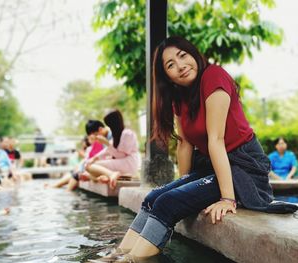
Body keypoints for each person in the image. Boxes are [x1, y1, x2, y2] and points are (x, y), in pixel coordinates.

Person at [102, 36, 297, 261]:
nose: (180, 66)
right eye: (170, 65)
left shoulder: (213, 77)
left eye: (182, 55)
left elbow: (216, 139)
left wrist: (228, 199)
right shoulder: (178, 97)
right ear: (167, 76)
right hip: (211, 166)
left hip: (243, 168)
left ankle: (132, 260)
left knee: (167, 203)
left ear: (193, 53)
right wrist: (186, 187)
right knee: (153, 197)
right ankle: (118, 255)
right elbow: (185, 144)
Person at [85, 110, 140, 189]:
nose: (108, 128)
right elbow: (106, 152)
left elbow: (121, 155)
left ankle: (111, 174)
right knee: (89, 171)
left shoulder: (127, 134)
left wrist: (106, 143)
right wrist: (94, 158)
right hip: (122, 163)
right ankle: (107, 177)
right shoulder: (117, 135)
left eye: (109, 125)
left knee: (90, 167)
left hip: (129, 163)